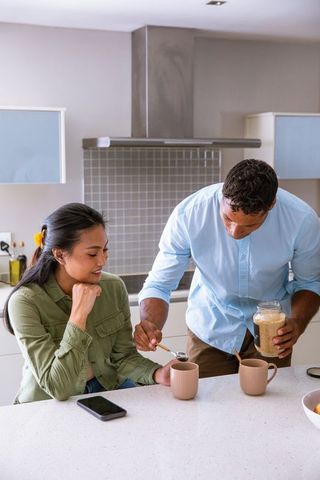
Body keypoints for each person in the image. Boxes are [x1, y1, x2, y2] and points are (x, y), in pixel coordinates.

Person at [134, 159, 320, 377]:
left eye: (249, 226)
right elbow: (159, 284)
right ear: (223, 195)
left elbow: (309, 282)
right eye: (228, 218)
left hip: (271, 331)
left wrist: (297, 323)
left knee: (268, 406)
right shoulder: (189, 214)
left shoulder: (302, 221)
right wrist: (149, 324)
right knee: (205, 405)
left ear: (270, 206)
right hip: (210, 326)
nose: (234, 232)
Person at [4, 203, 175, 404]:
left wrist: (157, 373)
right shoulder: (25, 302)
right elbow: (58, 388)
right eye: (92, 254)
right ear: (60, 255)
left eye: (105, 249)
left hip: (107, 387)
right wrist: (78, 316)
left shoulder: (113, 287)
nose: (102, 260)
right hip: (48, 401)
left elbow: (123, 357)